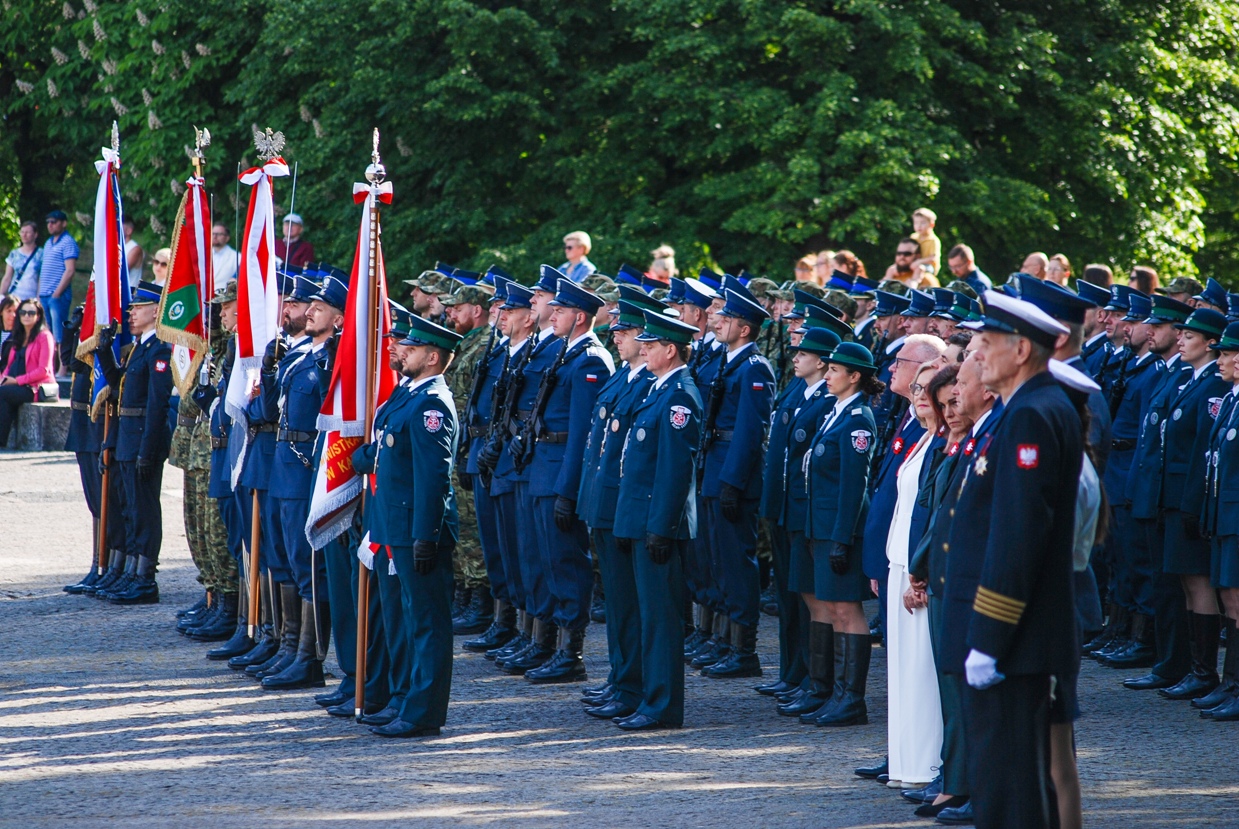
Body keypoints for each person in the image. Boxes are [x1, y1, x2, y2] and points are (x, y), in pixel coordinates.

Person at [944, 289, 1082, 829]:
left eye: (985, 343)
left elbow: (1018, 536)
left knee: (1010, 790)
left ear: (1020, 350)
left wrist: (990, 640)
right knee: (1012, 783)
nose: (976, 354)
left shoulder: (1031, 414)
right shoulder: (1027, 409)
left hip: (1015, 640)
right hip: (1016, 637)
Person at [355, 313, 463, 738]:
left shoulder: (432, 403)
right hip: (393, 525)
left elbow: (433, 478)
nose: (402, 351)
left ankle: (423, 713)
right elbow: (382, 452)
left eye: (413, 348)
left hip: (417, 531)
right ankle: (404, 698)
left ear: (433, 357)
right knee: (405, 619)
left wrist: (426, 536)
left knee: (427, 624)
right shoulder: (407, 395)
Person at [602, 310, 704, 730]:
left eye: (650, 344)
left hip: (657, 524)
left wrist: (661, 526)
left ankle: (661, 706)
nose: (643, 348)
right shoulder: (657, 389)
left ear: (670, 349)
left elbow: (674, 471)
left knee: (661, 619)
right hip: (640, 519)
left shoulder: (680, 395)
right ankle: (647, 696)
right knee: (646, 613)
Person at [258, 275, 346, 690]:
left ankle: (310, 657)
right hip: (282, 466)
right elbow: (265, 410)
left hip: (306, 467)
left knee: (308, 564)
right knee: (285, 559)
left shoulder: (334, 358)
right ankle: (291, 646)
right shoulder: (297, 356)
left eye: (319, 307)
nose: (309, 311)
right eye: (309, 305)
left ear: (339, 318)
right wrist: (267, 367)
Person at [907, 359, 985, 819]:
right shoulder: (949, 447)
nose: (950, 411)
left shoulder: (975, 445)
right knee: (949, 684)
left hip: (957, 575)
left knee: (961, 685)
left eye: (955, 400)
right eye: (943, 405)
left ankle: (964, 782)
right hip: (938, 571)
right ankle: (955, 777)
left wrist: (921, 564)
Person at [577, 298, 657, 719]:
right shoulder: (625, 377)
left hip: (623, 504)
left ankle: (632, 686)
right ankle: (620, 678)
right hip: (603, 500)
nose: (617, 337)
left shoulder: (649, 384)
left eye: (624, 332)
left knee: (629, 603)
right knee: (618, 601)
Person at [803, 342, 883, 727]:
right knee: (832, 608)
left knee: (846, 609)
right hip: (823, 525)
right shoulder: (837, 412)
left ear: (855, 377)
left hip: (842, 528)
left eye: (834, 370)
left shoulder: (858, 419)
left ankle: (852, 698)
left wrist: (842, 537)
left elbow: (854, 484)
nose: (828, 374)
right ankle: (838, 692)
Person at [696, 286, 775, 679]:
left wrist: (732, 482)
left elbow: (749, 431)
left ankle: (744, 649)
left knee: (735, 563)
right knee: (716, 560)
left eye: (726, 319)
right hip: (712, 467)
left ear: (744, 329)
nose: (718, 323)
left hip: (730, 473)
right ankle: (724, 640)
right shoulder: (730, 362)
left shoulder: (754, 367)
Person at [764, 326, 840, 718]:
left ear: (823, 362)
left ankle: (816, 680)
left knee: (815, 599)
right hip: (790, 506)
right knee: (797, 595)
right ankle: (802, 675)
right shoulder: (804, 393)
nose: (796, 356)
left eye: (804, 353)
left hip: (807, 510)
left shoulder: (827, 401)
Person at [1157, 308, 1229, 702]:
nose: (1181, 339)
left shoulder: (1214, 387)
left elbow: (1203, 449)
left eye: (1190, 335)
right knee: (1186, 581)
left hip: (1194, 496)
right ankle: (1193, 668)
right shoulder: (1190, 380)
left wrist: (1193, 503)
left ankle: (1204, 672)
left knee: (1199, 581)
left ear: (1208, 342)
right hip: (1175, 494)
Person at [883, 362, 945, 787]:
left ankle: (926, 765)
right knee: (903, 671)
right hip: (900, 563)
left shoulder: (941, 443)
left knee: (922, 671)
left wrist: (919, 573)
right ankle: (904, 762)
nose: (920, 394)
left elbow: (931, 513)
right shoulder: (923, 437)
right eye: (917, 386)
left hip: (917, 569)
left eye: (929, 388)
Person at [98, 282, 175, 605]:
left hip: (143, 438)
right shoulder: (140, 348)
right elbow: (121, 390)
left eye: (138, 308)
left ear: (156, 311)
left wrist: (148, 448)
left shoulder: (158, 348)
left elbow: (157, 404)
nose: (131, 314)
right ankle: (131, 571)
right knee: (129, 508)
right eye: (131, 309)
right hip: (128, 437)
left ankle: (145, 576)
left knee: (144, 510)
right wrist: (104, 351)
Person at [441, 283, 499, 635]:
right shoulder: (466, 345)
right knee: (460, 527)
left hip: (474, 444)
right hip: (460, 444)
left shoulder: (484, 347)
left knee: (472, 529)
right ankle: (465, 593)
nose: (451, 313)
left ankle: (481, 601)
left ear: (476, 310)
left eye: (457, 308)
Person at [1201, 324, 1239, 720]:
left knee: (1237, 599)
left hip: (1235, 513)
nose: (1221, 361)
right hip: (1224, 511)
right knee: (1229, 597)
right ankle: (1231, 683)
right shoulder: (1231, 399)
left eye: (1227, 354)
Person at [0, 298, 55, 446]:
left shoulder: (45, 337)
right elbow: (8, 365)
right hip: (15, 385)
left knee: (2, 394)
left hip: (35, 387)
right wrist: (3, 378)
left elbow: (44, 371)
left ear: (38, 315)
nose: (26, 316)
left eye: (31, 313)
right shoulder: (18, 336)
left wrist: (17, 380)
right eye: (23, 312)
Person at [39, 210, 79, 356]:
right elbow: (43, 271)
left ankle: (63, 367)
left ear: (63, 223)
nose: (50, 225)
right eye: (48, 222)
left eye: (54, 222)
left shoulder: (68, 242)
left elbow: (70, 270)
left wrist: (57, 293)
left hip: (57, 295)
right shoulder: (48, 243)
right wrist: (40, 293)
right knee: (46, 331)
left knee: (59, 332)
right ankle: (51, 364)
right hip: (44, 294)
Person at [2, 221, 42, 300]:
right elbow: (7, 277)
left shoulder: (41, 254)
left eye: (27, 232)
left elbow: (42, 279)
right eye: (22, 232)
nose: (24, 235)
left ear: (35, 234)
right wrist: (1, 295)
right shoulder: (14, 254)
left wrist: (38, 299)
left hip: (32, 298)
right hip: (14, 297)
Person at [910, 207, 941, 279]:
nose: (919, 226)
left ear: (931, 225)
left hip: (928, 267)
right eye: (916, 223)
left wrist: (918, 262)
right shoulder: (913, 237)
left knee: (919, 268)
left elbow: (932, 258)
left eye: (923, 223)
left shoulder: (933, 240)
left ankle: (913, 285)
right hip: (914, 264)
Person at [123, 217, 144, 289]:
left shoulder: (135, 249)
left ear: (129, 231)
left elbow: (122, 272)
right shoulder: (115, 247)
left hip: (130, 294)